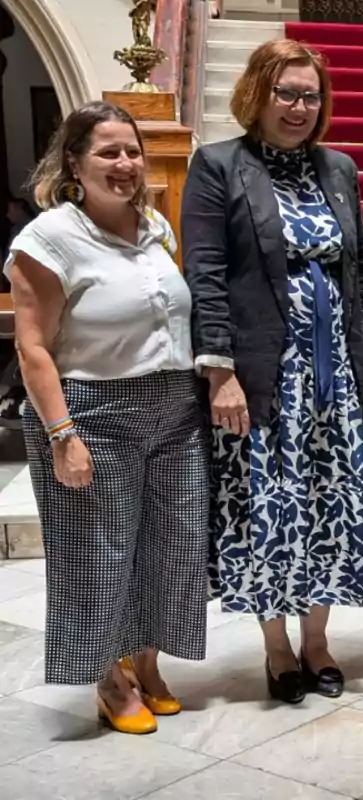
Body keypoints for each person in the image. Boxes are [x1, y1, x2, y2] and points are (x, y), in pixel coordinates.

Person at [181, 39, 363, 702]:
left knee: (329, 505)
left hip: (334, 379)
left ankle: (318, 642)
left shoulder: (339, 169)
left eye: (310, 95)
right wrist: (221, 372)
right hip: (264, 378)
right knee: (268, 510)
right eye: (286, 93)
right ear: (257, 95)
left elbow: (359, 274)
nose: (299, 107)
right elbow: (205, 274)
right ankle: (275, 649)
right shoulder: (218, 166)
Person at [4, 101, 208, 733]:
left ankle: (145, 662)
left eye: (132, 151)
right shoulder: (47, 239)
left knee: (172, 546)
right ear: (74, 162)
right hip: (91, 409)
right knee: (97, 551)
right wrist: (62, 435)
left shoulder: (155, 228)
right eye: (108, 153)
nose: (125, 164)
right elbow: (32, 346)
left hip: (173, 407)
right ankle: (107, 680)